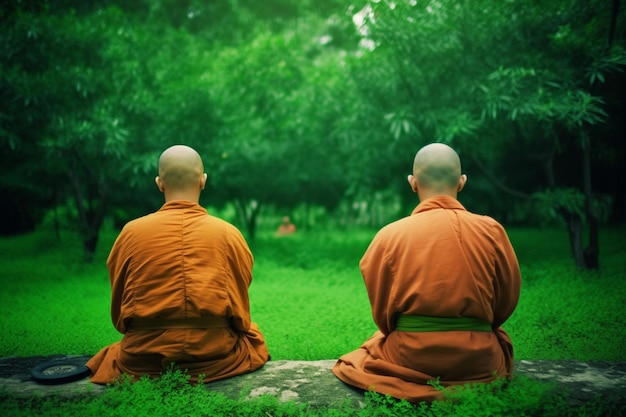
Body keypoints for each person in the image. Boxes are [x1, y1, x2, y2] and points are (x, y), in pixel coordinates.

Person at [332, 143, 521, 403]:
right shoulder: (492, 230)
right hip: (479, 360)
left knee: (370, 349)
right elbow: (505, 303)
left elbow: (383, 316)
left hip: (409, 357)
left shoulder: (389, 236)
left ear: (412, 183)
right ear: (462, 182)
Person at [86, 145, 270, 384]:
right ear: (203, 181)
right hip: (214, 355)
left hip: (143, 357)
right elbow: (240, 313)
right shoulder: (228, 234)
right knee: (252, 336)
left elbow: (120, 306)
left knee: (113, 354)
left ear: (159, 183)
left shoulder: (131, 233)